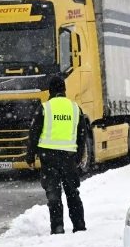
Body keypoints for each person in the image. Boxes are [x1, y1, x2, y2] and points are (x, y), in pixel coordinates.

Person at [26, 76, 87, 234]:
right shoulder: (75, 108)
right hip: (69, 158)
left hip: (48, 157)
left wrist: (30, 156)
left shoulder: (44, 108)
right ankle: (79, 226)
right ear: (64, 90)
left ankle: (58, 228)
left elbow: (34, 134)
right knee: (72, 193)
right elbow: (82, 135)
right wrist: (79, 156)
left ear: (50, 91)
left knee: (54, 195)